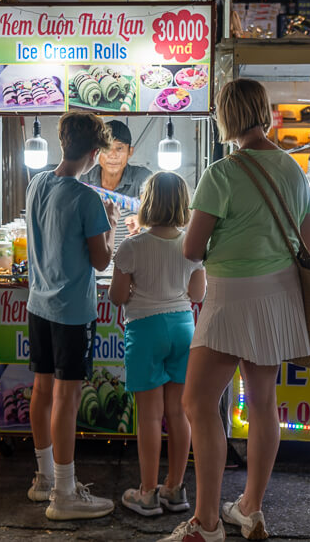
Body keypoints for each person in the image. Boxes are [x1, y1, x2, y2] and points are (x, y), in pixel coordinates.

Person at [161, 79, 310, 542]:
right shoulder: (292, 168)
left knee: (197, 401)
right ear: (263, 112)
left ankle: (206, 522)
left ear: (225, 117)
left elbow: (191, 248)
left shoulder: (221, 174)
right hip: (279, 297)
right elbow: (308, 244)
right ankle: (250, 508)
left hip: (231, 298)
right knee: (264, 404)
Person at [25, 112, 120, 520]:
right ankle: (64, 493)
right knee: (66, 397)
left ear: (62, 141)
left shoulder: (37, 183)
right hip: (70, 312)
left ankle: (44, 477)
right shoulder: (88, 199)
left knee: (42, 391)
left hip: (38, 305)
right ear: (96, 153)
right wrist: (111, 226)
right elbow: (101, 261)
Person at [108, 172, 206, 518]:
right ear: (184, 204)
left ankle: (147, 493)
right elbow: (197, 295)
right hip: (183, 327)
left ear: (147, 203)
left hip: (145, 329)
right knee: (179, 413)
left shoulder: (131, 246)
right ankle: (175, 489)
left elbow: (118, 296)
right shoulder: (191, 247)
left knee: (150, 416)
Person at [79, 119, 151, 243]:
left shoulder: (142, 177)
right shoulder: (84, 179)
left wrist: (141, 219)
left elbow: (158, 208)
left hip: (133, 257)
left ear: (130, 151)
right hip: (93, 258)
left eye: (119, 148)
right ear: (97, 152)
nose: (113, 155)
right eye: (106, 148)